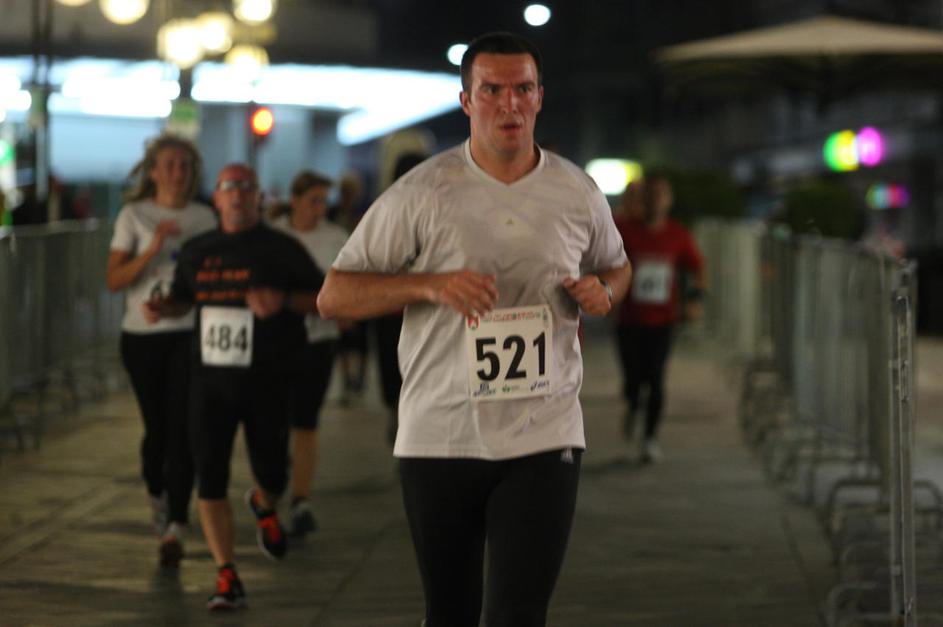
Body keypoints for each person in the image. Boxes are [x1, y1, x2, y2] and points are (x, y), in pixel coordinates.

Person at [317, 32, 632, 627]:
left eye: (522, 89)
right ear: (466, 101)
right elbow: (334, 296)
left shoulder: (577, 191)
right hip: (441, 435)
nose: (509, 104)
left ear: (540, 97)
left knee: (519, 614)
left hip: (544, 433)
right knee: (450, 613)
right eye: (492, 90)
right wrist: (429, 286)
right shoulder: (421, 192)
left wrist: (606, 290)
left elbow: (616, 264)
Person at [143, 163, 323, 610]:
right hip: (210, 381)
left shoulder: (282, 249)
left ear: (258, 196)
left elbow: (324, 298)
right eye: (229, 188)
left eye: (245, 187)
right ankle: (227, 574)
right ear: (218, 198)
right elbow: (183, 299)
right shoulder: (197, 250)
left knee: (273, 471)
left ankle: (264, 502)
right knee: (209, 475)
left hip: (267, 379)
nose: (237, 195)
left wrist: (283, 300)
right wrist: (163, 308)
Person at [106, 134, 217, 567]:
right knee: (156, 430)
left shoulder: (204, 218)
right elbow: (114, 280)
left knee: (182, 429)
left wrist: (184, 302)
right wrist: (153, 248)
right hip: (142, 336)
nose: (177, 172)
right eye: (169, 164)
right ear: (152, 171)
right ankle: (156, 489)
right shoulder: (134, 215)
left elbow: (212, 279)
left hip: (188, 333)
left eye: (185, 165)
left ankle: (176, 523)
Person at [269, 170, 348, 537]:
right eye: (313, 201)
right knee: (273, 419)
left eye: (323, 202)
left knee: (305, 420)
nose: (319, 209)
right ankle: (271, 491)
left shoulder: (335, 238)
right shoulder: (275, 236)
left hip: (319, 340)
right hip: (276, 340)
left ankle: (301, 499)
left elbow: (346, 289)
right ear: (295, 200)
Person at [614, 172, 707, 463]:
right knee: (632, 379)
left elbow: (698, 267)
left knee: (655, 378)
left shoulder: (677, 235)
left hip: (664, 321)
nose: (655, 201)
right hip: (629, 320)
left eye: (661, 195)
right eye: (650, 195)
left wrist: (695, 299)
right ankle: (633, 404)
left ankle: (650, 438)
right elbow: (602, 253)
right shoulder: (625, 229)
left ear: (669, 200)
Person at [372, 152, 427, 445]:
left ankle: (399, 417)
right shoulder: (439, 208)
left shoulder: (384, 210)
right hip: (418, 308)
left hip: (392, 309)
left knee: (395, 372)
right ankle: (402, 419)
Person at [328, 172, 369, 404]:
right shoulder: (334, 213)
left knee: (361, 337)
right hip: (343, 275)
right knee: (344, 338)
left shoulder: (364, 211)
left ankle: (359, 379)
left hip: (362, 276)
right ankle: (347, 380)